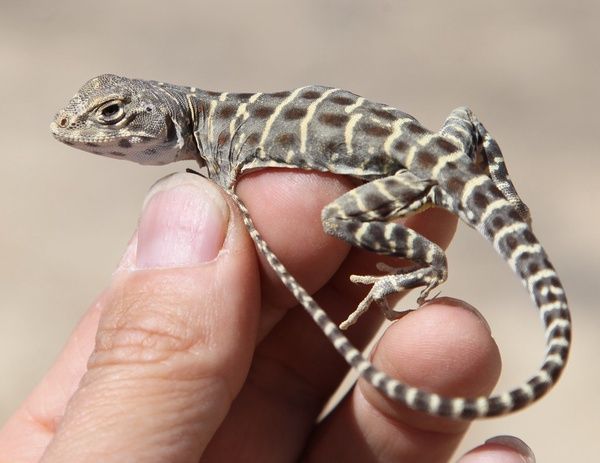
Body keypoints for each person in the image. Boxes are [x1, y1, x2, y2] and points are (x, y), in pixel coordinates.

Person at [0, 171, 535, 462]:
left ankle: (426, 262)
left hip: (413, 168)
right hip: (426, 158)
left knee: (333, 216)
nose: (86, 131)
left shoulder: (218, 146)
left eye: (114, 116)